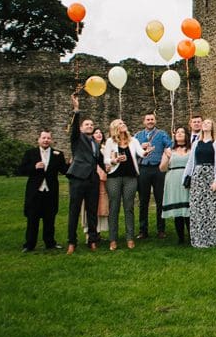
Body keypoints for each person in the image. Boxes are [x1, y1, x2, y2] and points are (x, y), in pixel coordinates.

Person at [66, 94, 104, 253]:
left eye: (92, 124)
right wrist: (76, 110)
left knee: (92, 211)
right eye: (87, 124)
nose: (90, 126)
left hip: (92, 180)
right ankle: (71, 242)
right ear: (82, 128)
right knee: (74, 210)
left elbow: (100, 161)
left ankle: (92, 240)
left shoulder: (95, 144)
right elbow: (74, 128)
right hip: (78, 178)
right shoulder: (77, 138)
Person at [17, 130, 67, 252]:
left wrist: (72, 164)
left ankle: (50, 243)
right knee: (32, 218)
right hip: (35, 191)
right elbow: (21, 170)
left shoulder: (58, 154)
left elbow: (65, 170)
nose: (46, 140)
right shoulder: (30, 153)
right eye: (43, 138)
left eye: (48, 138)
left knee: (50, 218)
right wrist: (34, 167)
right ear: (38, 139)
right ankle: (29, 244)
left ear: (51, 140)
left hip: (50, 191)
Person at [103, 119, 145, 250]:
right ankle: (113, 240)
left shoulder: (133, 141)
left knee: (129, 207)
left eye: (123, 123)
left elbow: (141, 153)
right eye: (120, 123)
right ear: (115, 128)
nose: (124, 124)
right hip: (114, 177)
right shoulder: (110, 142)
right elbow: (106, 160)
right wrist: (115, 160)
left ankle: (130, 238)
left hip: (130, 177)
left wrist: (146, 152)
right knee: (114, 207)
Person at [182, 118, 216, 248]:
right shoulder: (196, 143)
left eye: (208, 123)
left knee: (212, 207)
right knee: (198, 207)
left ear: (212, 127)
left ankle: (213, 238)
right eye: (204, 123)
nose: (205, 125)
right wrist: (186, 176)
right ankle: (199, 238)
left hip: (210, 174)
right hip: (198, 175)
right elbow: (191, 161)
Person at [134, 112, 173, 239]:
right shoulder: (138, 136)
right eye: (148, 119)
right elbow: (131, 151)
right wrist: (140, 147)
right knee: (143, 201)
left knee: (160, 200)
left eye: (152, 119)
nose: (150, 121)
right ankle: (143, 230)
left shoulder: (162, 134)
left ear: (155, 121)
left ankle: (161, 229)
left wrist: (166, 155)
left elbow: (170, 146)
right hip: (143, 169)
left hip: (158, 169)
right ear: (144, 122)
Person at [159, 127, 191, 245]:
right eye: (177, 132)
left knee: (188, 209)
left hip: (187, 179)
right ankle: (181, 238)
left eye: (182, 132)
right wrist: (167, 157)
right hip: (173, 179)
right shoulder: (169, 150)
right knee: (178, 211)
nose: (179, 134)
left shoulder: (192, 149)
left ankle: (192, 236)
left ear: (186, 135)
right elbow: (162, 168)